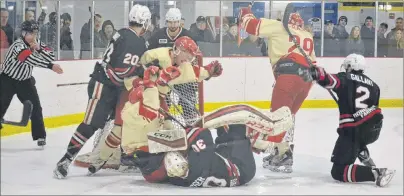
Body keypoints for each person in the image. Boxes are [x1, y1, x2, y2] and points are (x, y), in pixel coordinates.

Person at [85, 36, 223, 174]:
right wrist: (145, 79)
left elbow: (195, 72)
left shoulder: (183, 65)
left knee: (168, 127)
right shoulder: (156, 55)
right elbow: (134, 70)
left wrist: (210, 71)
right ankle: (101, 160)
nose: (188, 60)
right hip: (134, 92)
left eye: (191, 57)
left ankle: (157, 158)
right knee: (120, 128)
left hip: (158, 97)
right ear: (177, 50)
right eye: (187, 55)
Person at [53, 4, 152, 179]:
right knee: (91, 124)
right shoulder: (129, 38)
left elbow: (129, 66)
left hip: (114, 86)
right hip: (103, 84)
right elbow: (115, 66)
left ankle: (123, 155)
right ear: (143, 22)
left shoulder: (130, 37)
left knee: (124, 121)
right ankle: (65, 160)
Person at [238, 3, 316, 173]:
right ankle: (283, 153)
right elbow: (313, 64)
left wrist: (245, 10)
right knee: (286, 119)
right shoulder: (307, 35)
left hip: (288, 77)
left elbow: (250, 26)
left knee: (275, 120)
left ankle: (260, 146)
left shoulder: (280, 26)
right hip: (307, 81)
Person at [309, 53, 395, 187]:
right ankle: (367, 160)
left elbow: (329, 80)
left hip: (353, 130)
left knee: (338, 172)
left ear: (350, 65)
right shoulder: (375, 86)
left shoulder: (346, 78)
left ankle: (376, 173)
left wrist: (317, 73)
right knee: (357, 140)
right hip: (373, 129)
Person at [0, 20, 63, 145]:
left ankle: (40, 136)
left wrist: (39, 49)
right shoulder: (17, 46)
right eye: (30, 33)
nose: (33, 36)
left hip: (25, 81)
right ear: (23, 33)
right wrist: (51, 66)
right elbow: (30, 59)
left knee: (36, 107)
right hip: (7, 80)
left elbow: (51, 56)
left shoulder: (36, 42)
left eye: (35, 33)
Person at [147, 8, 199, 127]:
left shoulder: (188, 35)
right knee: (162, 103)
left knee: (188, 101)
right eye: (170, 22)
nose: (173, 25)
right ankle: (162, 126)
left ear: (180, 22)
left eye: (175, 22)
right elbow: (149, 52)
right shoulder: (158, 35)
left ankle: (191, 126)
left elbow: (195, 55)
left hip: (182, 75)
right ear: (166, 22)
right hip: (164, 76)